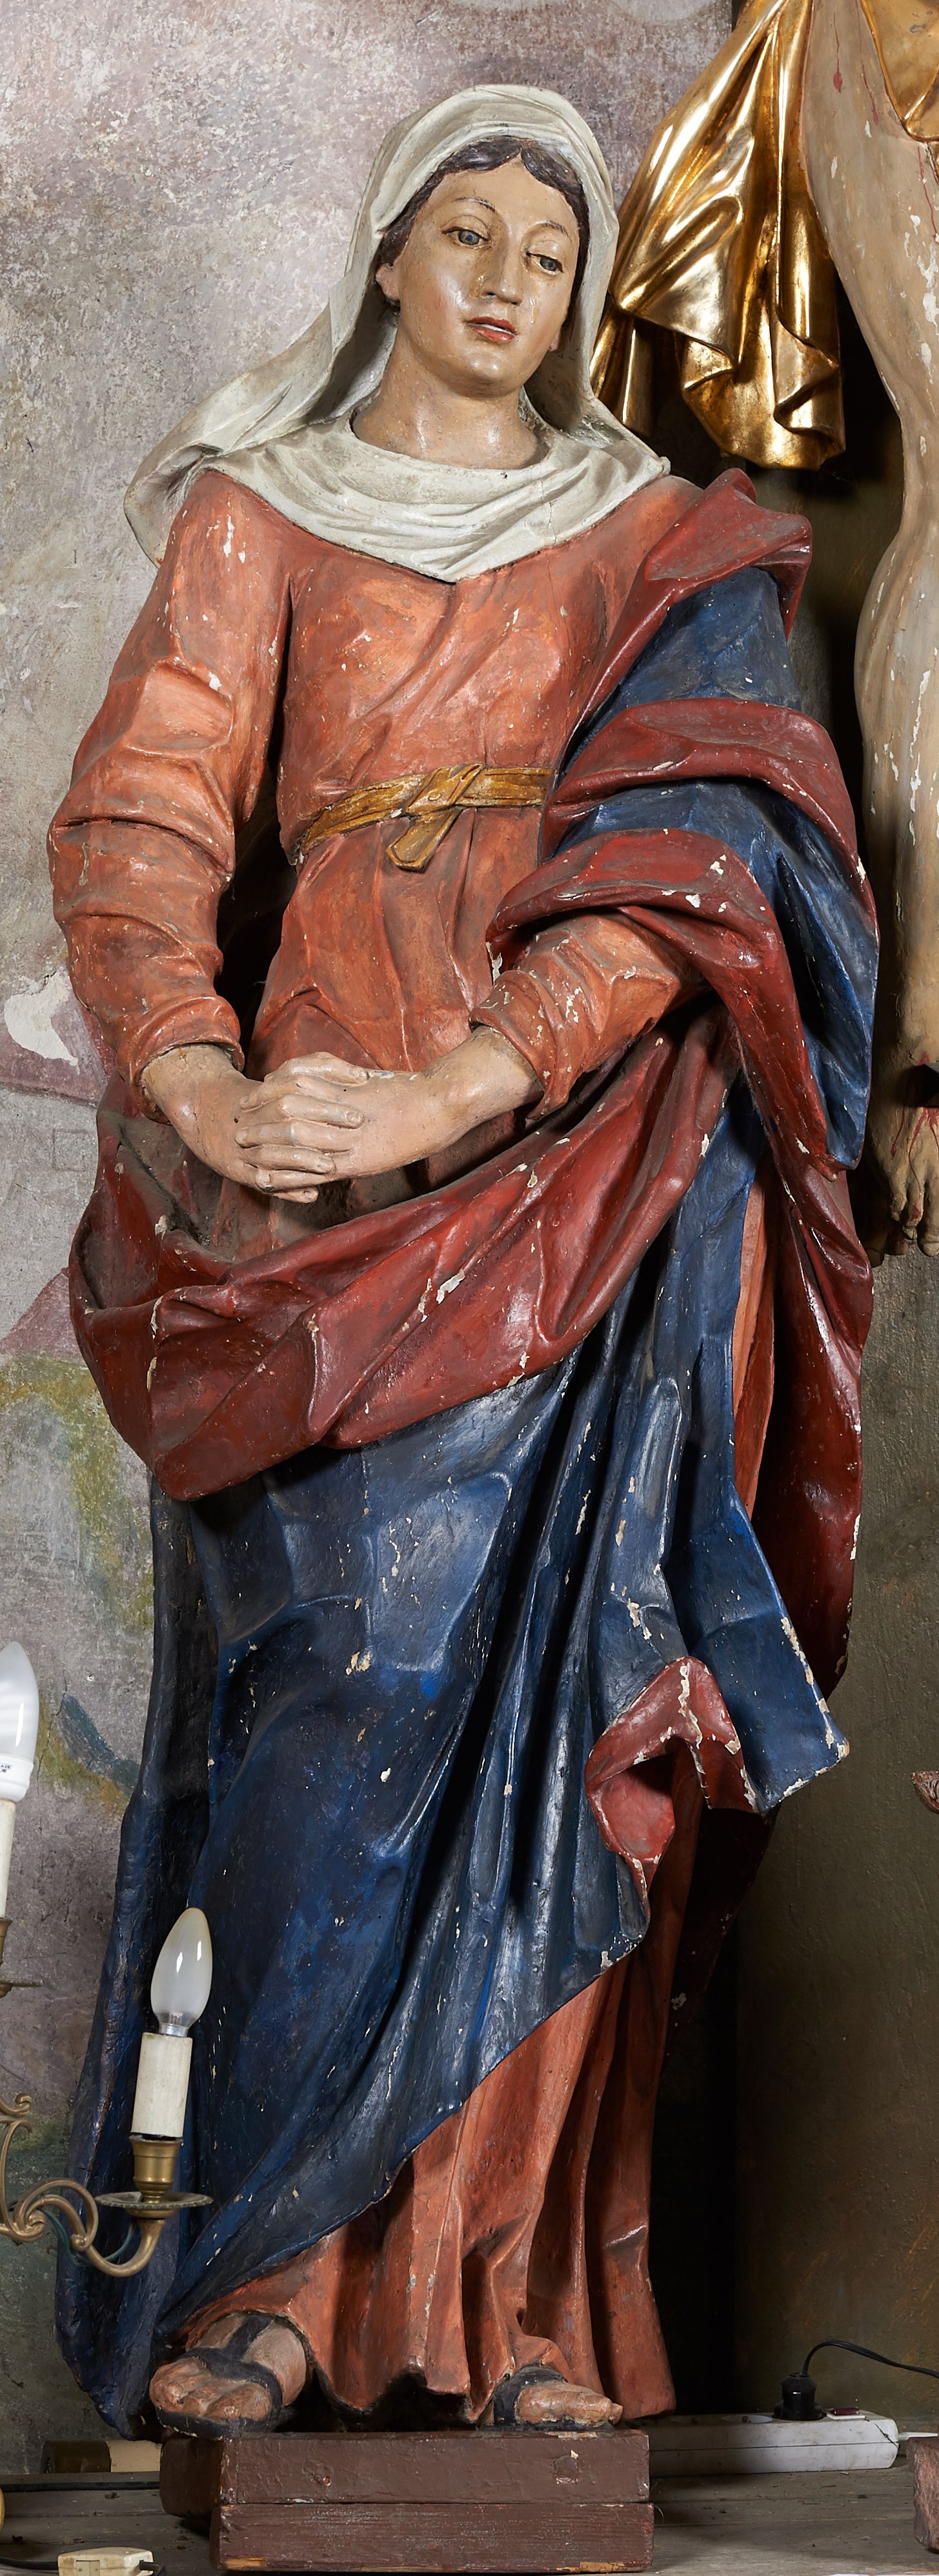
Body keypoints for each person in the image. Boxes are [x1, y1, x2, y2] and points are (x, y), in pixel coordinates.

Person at [49, 83, 877, 2439]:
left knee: (564, 1704)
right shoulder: (263, 513)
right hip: (308, 1176)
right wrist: (198, 1071)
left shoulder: (658, 544)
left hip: (578, 1164)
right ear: (389, 263)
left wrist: (484, 1073)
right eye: (470, 234)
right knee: (332, 1697)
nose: (511, 280)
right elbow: (143, 811)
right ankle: (271, 2280)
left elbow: (708, 849)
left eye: (552, 248)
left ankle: (519, 2309)